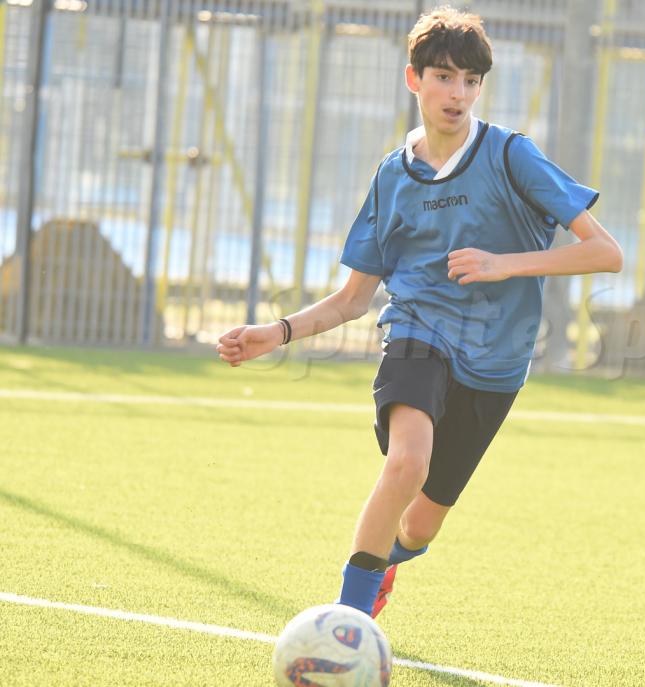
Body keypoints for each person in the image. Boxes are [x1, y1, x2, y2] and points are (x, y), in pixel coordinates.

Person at [216, 5, 622, 619]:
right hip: (417, 332)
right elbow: (354, 298)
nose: (457, 94)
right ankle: (347, 623)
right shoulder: (392, 176)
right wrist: (278, 331)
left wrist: (503, 264)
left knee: (420, 528)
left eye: (470, 81)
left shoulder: (511, 155)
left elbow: (606, 253)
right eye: (444, 77)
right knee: (406, 464)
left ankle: (384, 565)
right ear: (414, 79)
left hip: (498, 363)